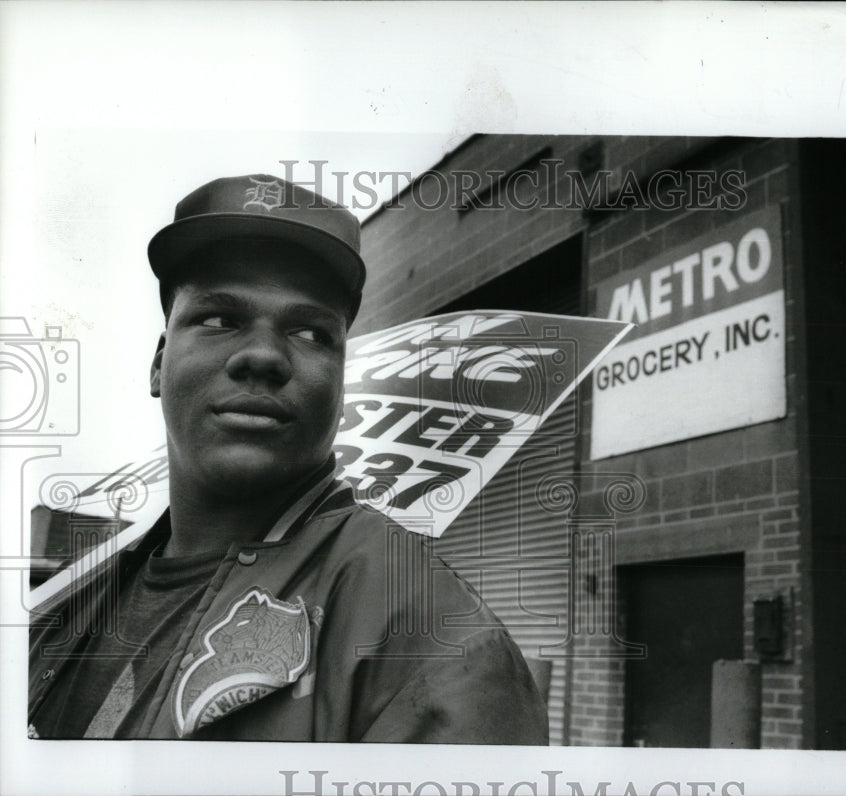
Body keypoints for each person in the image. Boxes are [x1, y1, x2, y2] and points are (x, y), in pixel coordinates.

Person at [28, 174, 549, 743]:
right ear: (159, 364)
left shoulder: (436, 644)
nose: (263, 356)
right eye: (220, 319)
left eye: (308, 332)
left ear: (341, 381)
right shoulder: (60, 608)